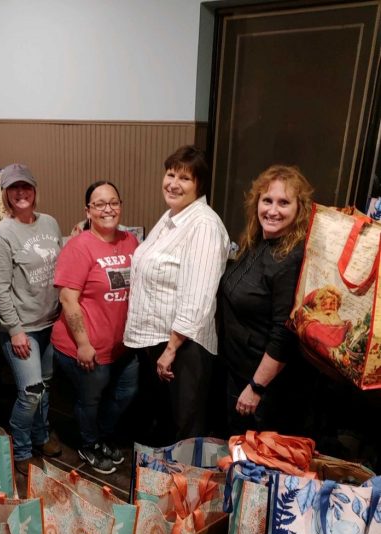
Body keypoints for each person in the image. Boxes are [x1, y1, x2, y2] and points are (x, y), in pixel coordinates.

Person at [123, 145, 230, 445]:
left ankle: (185, 477)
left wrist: (170, 350)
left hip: (184, 346)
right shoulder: (173, 216)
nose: (173, 183)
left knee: (186, 431)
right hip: (162, 339)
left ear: (199, 185)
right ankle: (162, 475)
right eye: (171, 174)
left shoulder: (204, 225)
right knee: (165, 424)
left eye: (184, 178)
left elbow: (197, 298)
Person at [52, 181, 139, 474]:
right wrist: (83, 344)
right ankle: (89, 443)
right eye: (99, 204)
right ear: (88, 211)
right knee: (90, 400)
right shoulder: (78, 247)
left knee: (127, 391)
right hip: (86, 346)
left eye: (113, 202)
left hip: (122, 345)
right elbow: (68, 299)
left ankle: (100, 435)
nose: (108, 209)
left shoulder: (130, 241)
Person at [219, 164, 313, 434]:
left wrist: (256, 387)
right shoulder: (258, 240)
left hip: (263, 387)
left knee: (257, 454)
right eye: (267, 200)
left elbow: (284, 334)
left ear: (299, 209)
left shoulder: (290, 259)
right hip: (237, 368)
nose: (273, 210)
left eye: (284, 202)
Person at [0, 164, 63, 474]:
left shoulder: (50, 223)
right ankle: (20, 448)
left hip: (51, 322)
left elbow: (59, 263)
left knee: (44, 386)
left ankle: (41, 435)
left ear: (34, 190)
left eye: (26, 186)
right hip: (22, 329)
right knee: (30, 391)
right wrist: (15, 331)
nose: (21, 192)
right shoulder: (2, 234)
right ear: (6, 194)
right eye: (14, 188)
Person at [295, 285, 352, 361]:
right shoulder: (312, 326)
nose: (328, 307)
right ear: (318, 306)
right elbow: (335, 341)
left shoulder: (338, 323)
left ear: (337, 307)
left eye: (332, 304)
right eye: (324, 304)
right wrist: (345, 325)